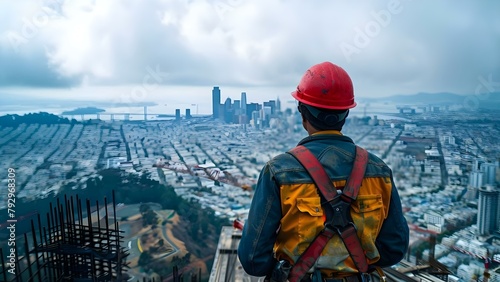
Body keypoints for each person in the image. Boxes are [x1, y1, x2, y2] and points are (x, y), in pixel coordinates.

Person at [238, 62, 409, 281]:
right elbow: (394, 248)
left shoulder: (279, 172)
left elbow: (253, 261)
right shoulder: (379, 171)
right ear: (346, 113)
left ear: (302, 114)